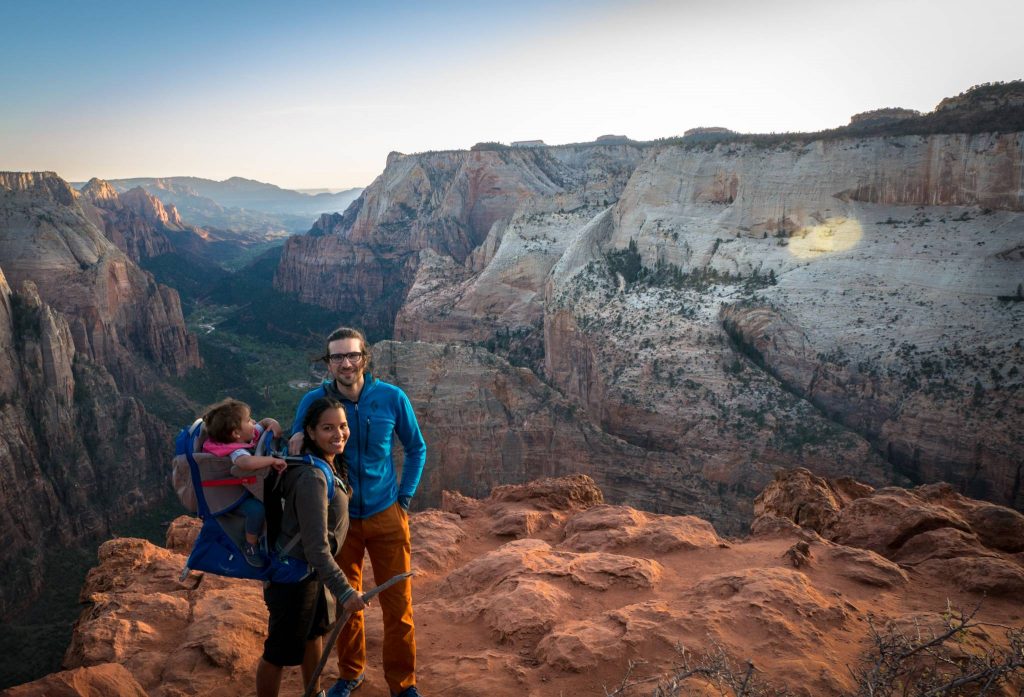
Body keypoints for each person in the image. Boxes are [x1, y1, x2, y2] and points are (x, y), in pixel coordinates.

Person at [289, 327, 427, 697]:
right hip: (340, 520)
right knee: (346, 602)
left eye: (352, 355)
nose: (346, 363)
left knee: (399, 607)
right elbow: (296, 448)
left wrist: (405, 499)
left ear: (365, 357)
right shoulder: (313, 402)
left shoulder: (391, 398)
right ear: (328, 362)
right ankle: (351, 673)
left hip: (387, 513)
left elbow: (417, 448)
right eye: (337, 357)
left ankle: (403, 684)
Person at [256, 397, 367, 697]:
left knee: (314, 632)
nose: (339, 434)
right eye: (328, 428)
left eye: (343, 426)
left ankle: (314, 692)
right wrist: (345, 591)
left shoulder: (322, 466)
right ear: (311, 432)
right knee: (277, 652)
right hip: (295, 576)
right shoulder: (312, 478)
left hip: (311, 575)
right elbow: (316, 547)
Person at [201, 398, 286, 566]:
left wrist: (272, 422)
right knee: (257, 510)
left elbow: (263, 423)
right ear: (236, 434)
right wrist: (271, 460)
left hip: (238, 486)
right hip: (227, 496)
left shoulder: (241, 435)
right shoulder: (235, 451)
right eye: (248, 421)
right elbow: (246, 463)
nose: (253, 423)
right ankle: (250, 546)